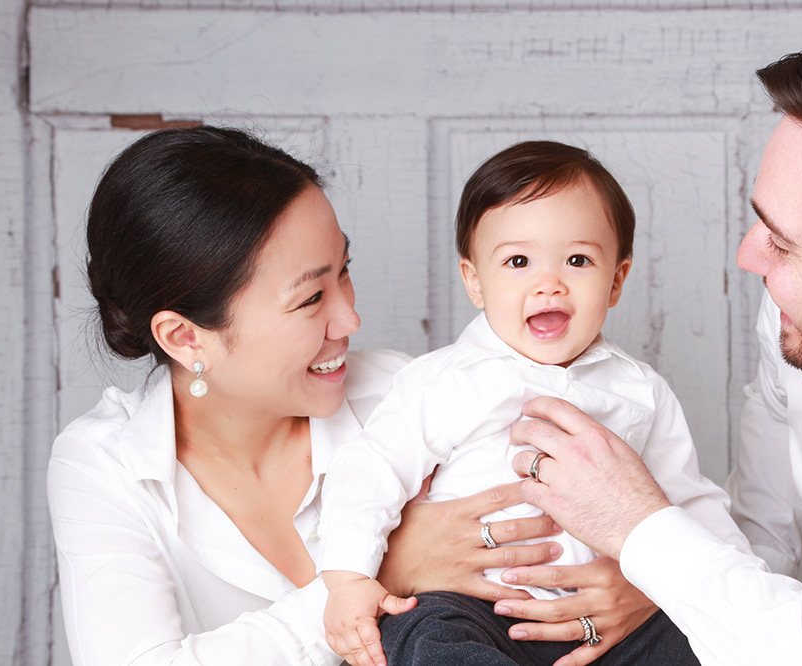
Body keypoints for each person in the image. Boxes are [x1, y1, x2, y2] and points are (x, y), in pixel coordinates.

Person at [47, 127, 656, 666]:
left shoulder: (410, 390)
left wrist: (643, 588)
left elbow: (600, 519)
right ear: (186, 337)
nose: (351, 318)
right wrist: (380, 573)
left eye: (344, 269)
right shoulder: (106, 465)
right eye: (311, 298)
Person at [505, 15, 802, 666]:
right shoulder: (801, 324)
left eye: (784, 245)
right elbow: (757, 544)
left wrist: (641, 531)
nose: (746, 257)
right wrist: (654, 585)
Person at [317, 141, 749, 666]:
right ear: (475, 281)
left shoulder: (639, 391)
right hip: (473, 606)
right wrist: (348, 578)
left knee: (701, 639)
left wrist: (736, 590)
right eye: (518, 261)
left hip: (606, 614)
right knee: (420, 632)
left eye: (578, 260)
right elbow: (368, 471)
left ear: (616, 280)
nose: (549, 283)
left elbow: (686, 500)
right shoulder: (440, 383)